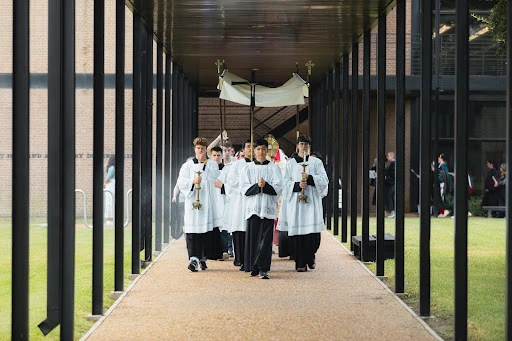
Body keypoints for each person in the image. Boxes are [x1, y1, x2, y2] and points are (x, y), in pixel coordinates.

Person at [281, 136, 328, 272]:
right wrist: (297, 185)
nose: (304, 147)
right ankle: (300, 262)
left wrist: (310, 178)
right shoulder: (290, 164)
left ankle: (310, 256)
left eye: (306, 144)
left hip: (311, 201)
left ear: (309, 146)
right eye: (301, 144)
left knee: (312, 234)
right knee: (298, 233)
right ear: (297, 146)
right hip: (296, 202)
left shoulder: (316, 162)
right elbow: (285, 183)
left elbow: (324, 180)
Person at [177, 137, 222, 272]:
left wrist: (205, 164)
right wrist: (192, 182)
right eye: (198, 148)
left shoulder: (212, 164)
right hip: (192, 203)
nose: (200, 151)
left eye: (203, 148)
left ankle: (202, 258)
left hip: (206, 203)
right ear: (194, 149)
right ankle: (193, 258)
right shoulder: (187, 166)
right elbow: (181, 181)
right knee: (192, 232)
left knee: (204, 232)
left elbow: (215, 177)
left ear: (206, 149)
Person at [240, 138, 283, 279]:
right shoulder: (248, 167)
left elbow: (279, 187)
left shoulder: (273, 167)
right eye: (258, 149)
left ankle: (263, 268)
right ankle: (253, 266)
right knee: (253, 238)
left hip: (267, 207)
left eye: (263, 149)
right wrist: (257, 186)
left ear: (267, 151)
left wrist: (266, 186)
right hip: (253, 208)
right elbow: (243, 188)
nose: (260, 152)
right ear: (254, 151)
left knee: (265, 239)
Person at [224, 139, 253, 270]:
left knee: (252, 231)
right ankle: (240, 259)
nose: (251, 150)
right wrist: (246, 185)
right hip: (240, 201)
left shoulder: (262, 165)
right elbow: (230, 182)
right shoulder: (236, 165)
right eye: (248, 147)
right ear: (243, 150)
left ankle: (252, 259)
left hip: (254, 201)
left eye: (253, 147)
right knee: (240, 229)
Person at [203, 146, 227, 261]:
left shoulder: (226, 169)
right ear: (210, 156)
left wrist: (223, 186)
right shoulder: (207, 169)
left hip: (223, 199)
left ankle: (225, 249)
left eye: (218, 155)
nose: (216, 158)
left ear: (222, 156)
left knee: (224, 225)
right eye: (214, 155)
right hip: (211, 199)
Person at [437, 154, 452, 218]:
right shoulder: (442, 166)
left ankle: (445, 211)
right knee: (442, 198)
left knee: (442, 198)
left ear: (442, 159)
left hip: (443, 184)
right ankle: (443, 212)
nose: (438, 159)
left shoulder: (443, 166)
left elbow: (445, 177)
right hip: (442, 184)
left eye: (439, 158)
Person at [104, 155, 116, 226]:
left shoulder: (112, 168)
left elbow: (108, 178)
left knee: (109, 202)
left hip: (111, 186)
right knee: (112, 202)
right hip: (113, 186)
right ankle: (112, 219)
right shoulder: (114, 168)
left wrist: (104, 184)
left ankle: (110, 220)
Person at [384, 152, 396, 218]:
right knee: (390, 197)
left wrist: (386, 178)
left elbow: (393, 174)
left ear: (391, 156)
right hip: (391, 183)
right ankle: (392, 211)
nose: (387, 157)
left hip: (392, 183)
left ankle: (393, 212)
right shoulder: (392, 164)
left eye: (388, 156)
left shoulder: (393, 164)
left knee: (390, 197)